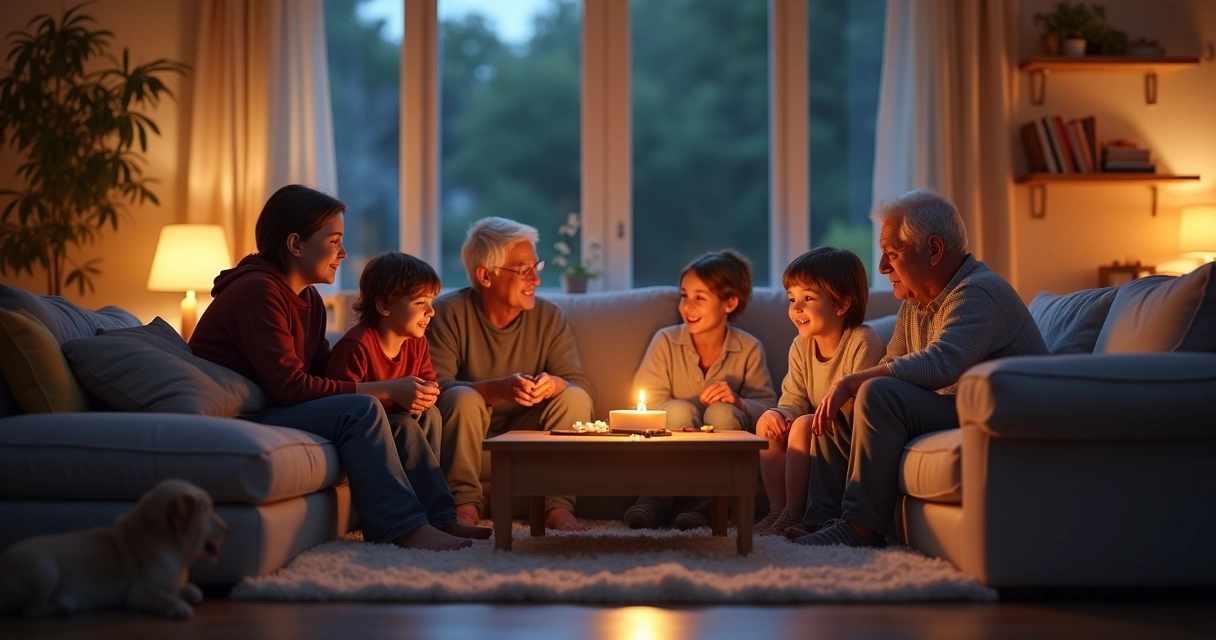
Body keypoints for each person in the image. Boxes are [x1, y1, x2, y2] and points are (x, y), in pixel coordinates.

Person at [190, 185, 490, 551]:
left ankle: (438, 519)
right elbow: (290, 387)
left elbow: (321, 370)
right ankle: (402, 528)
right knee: (360, 408)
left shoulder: (308, 298)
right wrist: (386, 389)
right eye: (333, 241)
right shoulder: (257, 292)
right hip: (245, 414)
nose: (343, 253)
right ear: (295, 244)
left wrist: (395, 395)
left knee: (403, 420)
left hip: (278, 406)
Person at [789, 188, 1048, 547]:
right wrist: (850, 390)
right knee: (851, 399)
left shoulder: (978, 292)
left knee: (875, 390)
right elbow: (892, 362)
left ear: (934, 250)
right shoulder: (915, 302)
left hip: (997, 415)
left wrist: (852, 381)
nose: (881, 267)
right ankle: (821, 520)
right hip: (958, 407)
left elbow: (943, 363)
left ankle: (860, 529)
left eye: (892, 254)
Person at [427, 217, 595, 531]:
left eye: (537, 267)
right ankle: (463, 508)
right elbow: (436, 388)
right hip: (469, 427)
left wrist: (551, 385)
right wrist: (499, 389)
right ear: (485, 275)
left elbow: (579, 384)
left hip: (527, 425)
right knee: (461, 397)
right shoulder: (449, 313)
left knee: (573, 396)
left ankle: (556, 508)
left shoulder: (549, 317)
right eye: (523, 270)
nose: (536, 280)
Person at [624, 250, 777, 530]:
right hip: (673, 431)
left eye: (700, 298)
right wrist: (688, 415)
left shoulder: (749, 348)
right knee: (678, 410)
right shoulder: (666, 341)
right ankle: (656, 498)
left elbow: (768, 405)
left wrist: (739, 402)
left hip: (724, 430)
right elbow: (647, 400)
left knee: (722, 415)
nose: (687, 306)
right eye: (684, 295)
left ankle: (705, 504)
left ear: (729, 303)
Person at [753, 247, 883, 536]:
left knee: (801, 425)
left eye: (808, 298)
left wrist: (800, 419)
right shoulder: (801, 346)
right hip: (811, 425)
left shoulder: (863, 341)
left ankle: (795, 513)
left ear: (841, 304)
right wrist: (779, 413)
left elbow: (858, 403)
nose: (796, 308)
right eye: (792, 299)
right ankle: (777, 508)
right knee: (767, 421)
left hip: (843, 436)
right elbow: (795, 399)